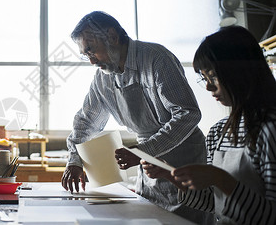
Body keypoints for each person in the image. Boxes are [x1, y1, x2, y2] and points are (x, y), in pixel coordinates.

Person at [61, 11, 210, 223]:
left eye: (91, 50)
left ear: (112, 36)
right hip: (147, 167)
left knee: (185, 220)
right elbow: (86, 122)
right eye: (86, 55)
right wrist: (74, 160)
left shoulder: (157, 59)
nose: (92, 61)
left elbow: (188, 114)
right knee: (149, 219)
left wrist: (143, 152)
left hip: (183, 160)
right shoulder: (103, 79)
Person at [142, 25, 276, 224]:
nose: (208, 86)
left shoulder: (270, 129)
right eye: (204, 78)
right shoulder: (218, 132)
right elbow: (214, 203)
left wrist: (220, 178)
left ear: (239, 70)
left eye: (213, 76)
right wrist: (172, 176)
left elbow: (272, 215)